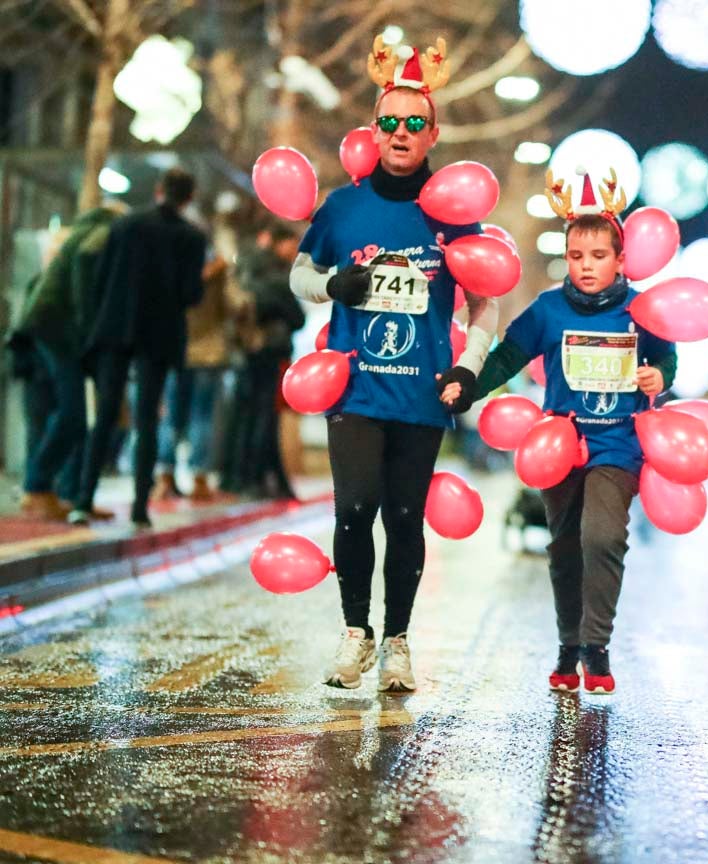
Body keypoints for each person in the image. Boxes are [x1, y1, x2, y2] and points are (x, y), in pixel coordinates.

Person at [290, 34, 498, 692]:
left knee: (404, 517)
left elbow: (487, 303)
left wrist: (470, 370)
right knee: (354, 508)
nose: (401, 132)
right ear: (374, 131)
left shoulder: (454, 214)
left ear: (432, 132)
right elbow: (300, 272)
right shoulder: (344, 207)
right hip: (352, 387)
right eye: (389, 122)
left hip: (421, 393)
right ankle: (357, 634)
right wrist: (333, 288)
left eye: (414, 122)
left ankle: (399, 642)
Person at [440, 167, 677, 696]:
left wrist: (659, 375)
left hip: (617, 441)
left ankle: (597, 646)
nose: (587, 267)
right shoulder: (549, 309)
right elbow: (507, 356)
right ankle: (569, 646)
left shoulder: (642, 310)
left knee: (602, 535)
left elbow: (667, 357)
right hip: (559, 444)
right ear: (566, 258)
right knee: (565, 545)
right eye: (576, 256)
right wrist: (468, 386)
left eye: (598, 256)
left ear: (621, 259)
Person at [70, 167, 207, 528]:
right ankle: (139, 508)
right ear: (189, 198)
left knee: (105, 415)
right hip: (159, 335)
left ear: (159, 189)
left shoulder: (125, 226)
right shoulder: (192, 238)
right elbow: (191, 294)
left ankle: (83, 499)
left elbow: (100, 279)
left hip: (115, 327)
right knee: (146, 420)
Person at [10, 206, 121, 520]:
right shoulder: (103, 233)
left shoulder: (86, 231)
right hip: (58, 331)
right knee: (72, 413)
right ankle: (38, 487)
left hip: (54, 329)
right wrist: (89, 332)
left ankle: (68, 492)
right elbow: (85, 269)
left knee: (75, 414)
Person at [154, 253, 239, 502]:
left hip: (175, 350)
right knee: (202, 417)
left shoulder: (171, 270)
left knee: (170, 417)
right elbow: (233, 306)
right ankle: (199, 480)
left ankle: (164, 477)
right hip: (209, 354)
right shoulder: (218, 274)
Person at [234, 225, 305, 499]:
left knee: (252, 414)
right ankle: (259, 479)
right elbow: (298, 318)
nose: (296, 250)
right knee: (266, 416)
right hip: (272, 352)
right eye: (293, 244)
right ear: (279, 243)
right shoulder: (276, 276)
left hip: (249, 351)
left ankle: (252, 477)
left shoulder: (248, 271)